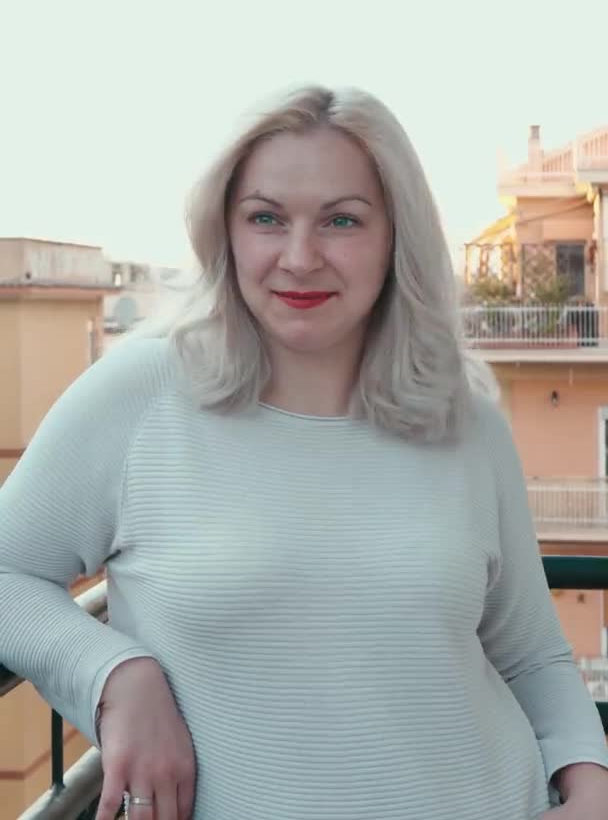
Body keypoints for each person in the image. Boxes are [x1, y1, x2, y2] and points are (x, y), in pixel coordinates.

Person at [1, 85, 607, 820]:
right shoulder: (140, 393)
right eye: (265, 218)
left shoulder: (463, 417)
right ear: (225, 231)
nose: (299, 257)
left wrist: (590, 784)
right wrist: (115, 673)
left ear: (395, 236)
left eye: (341, 221)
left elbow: (531, 653)